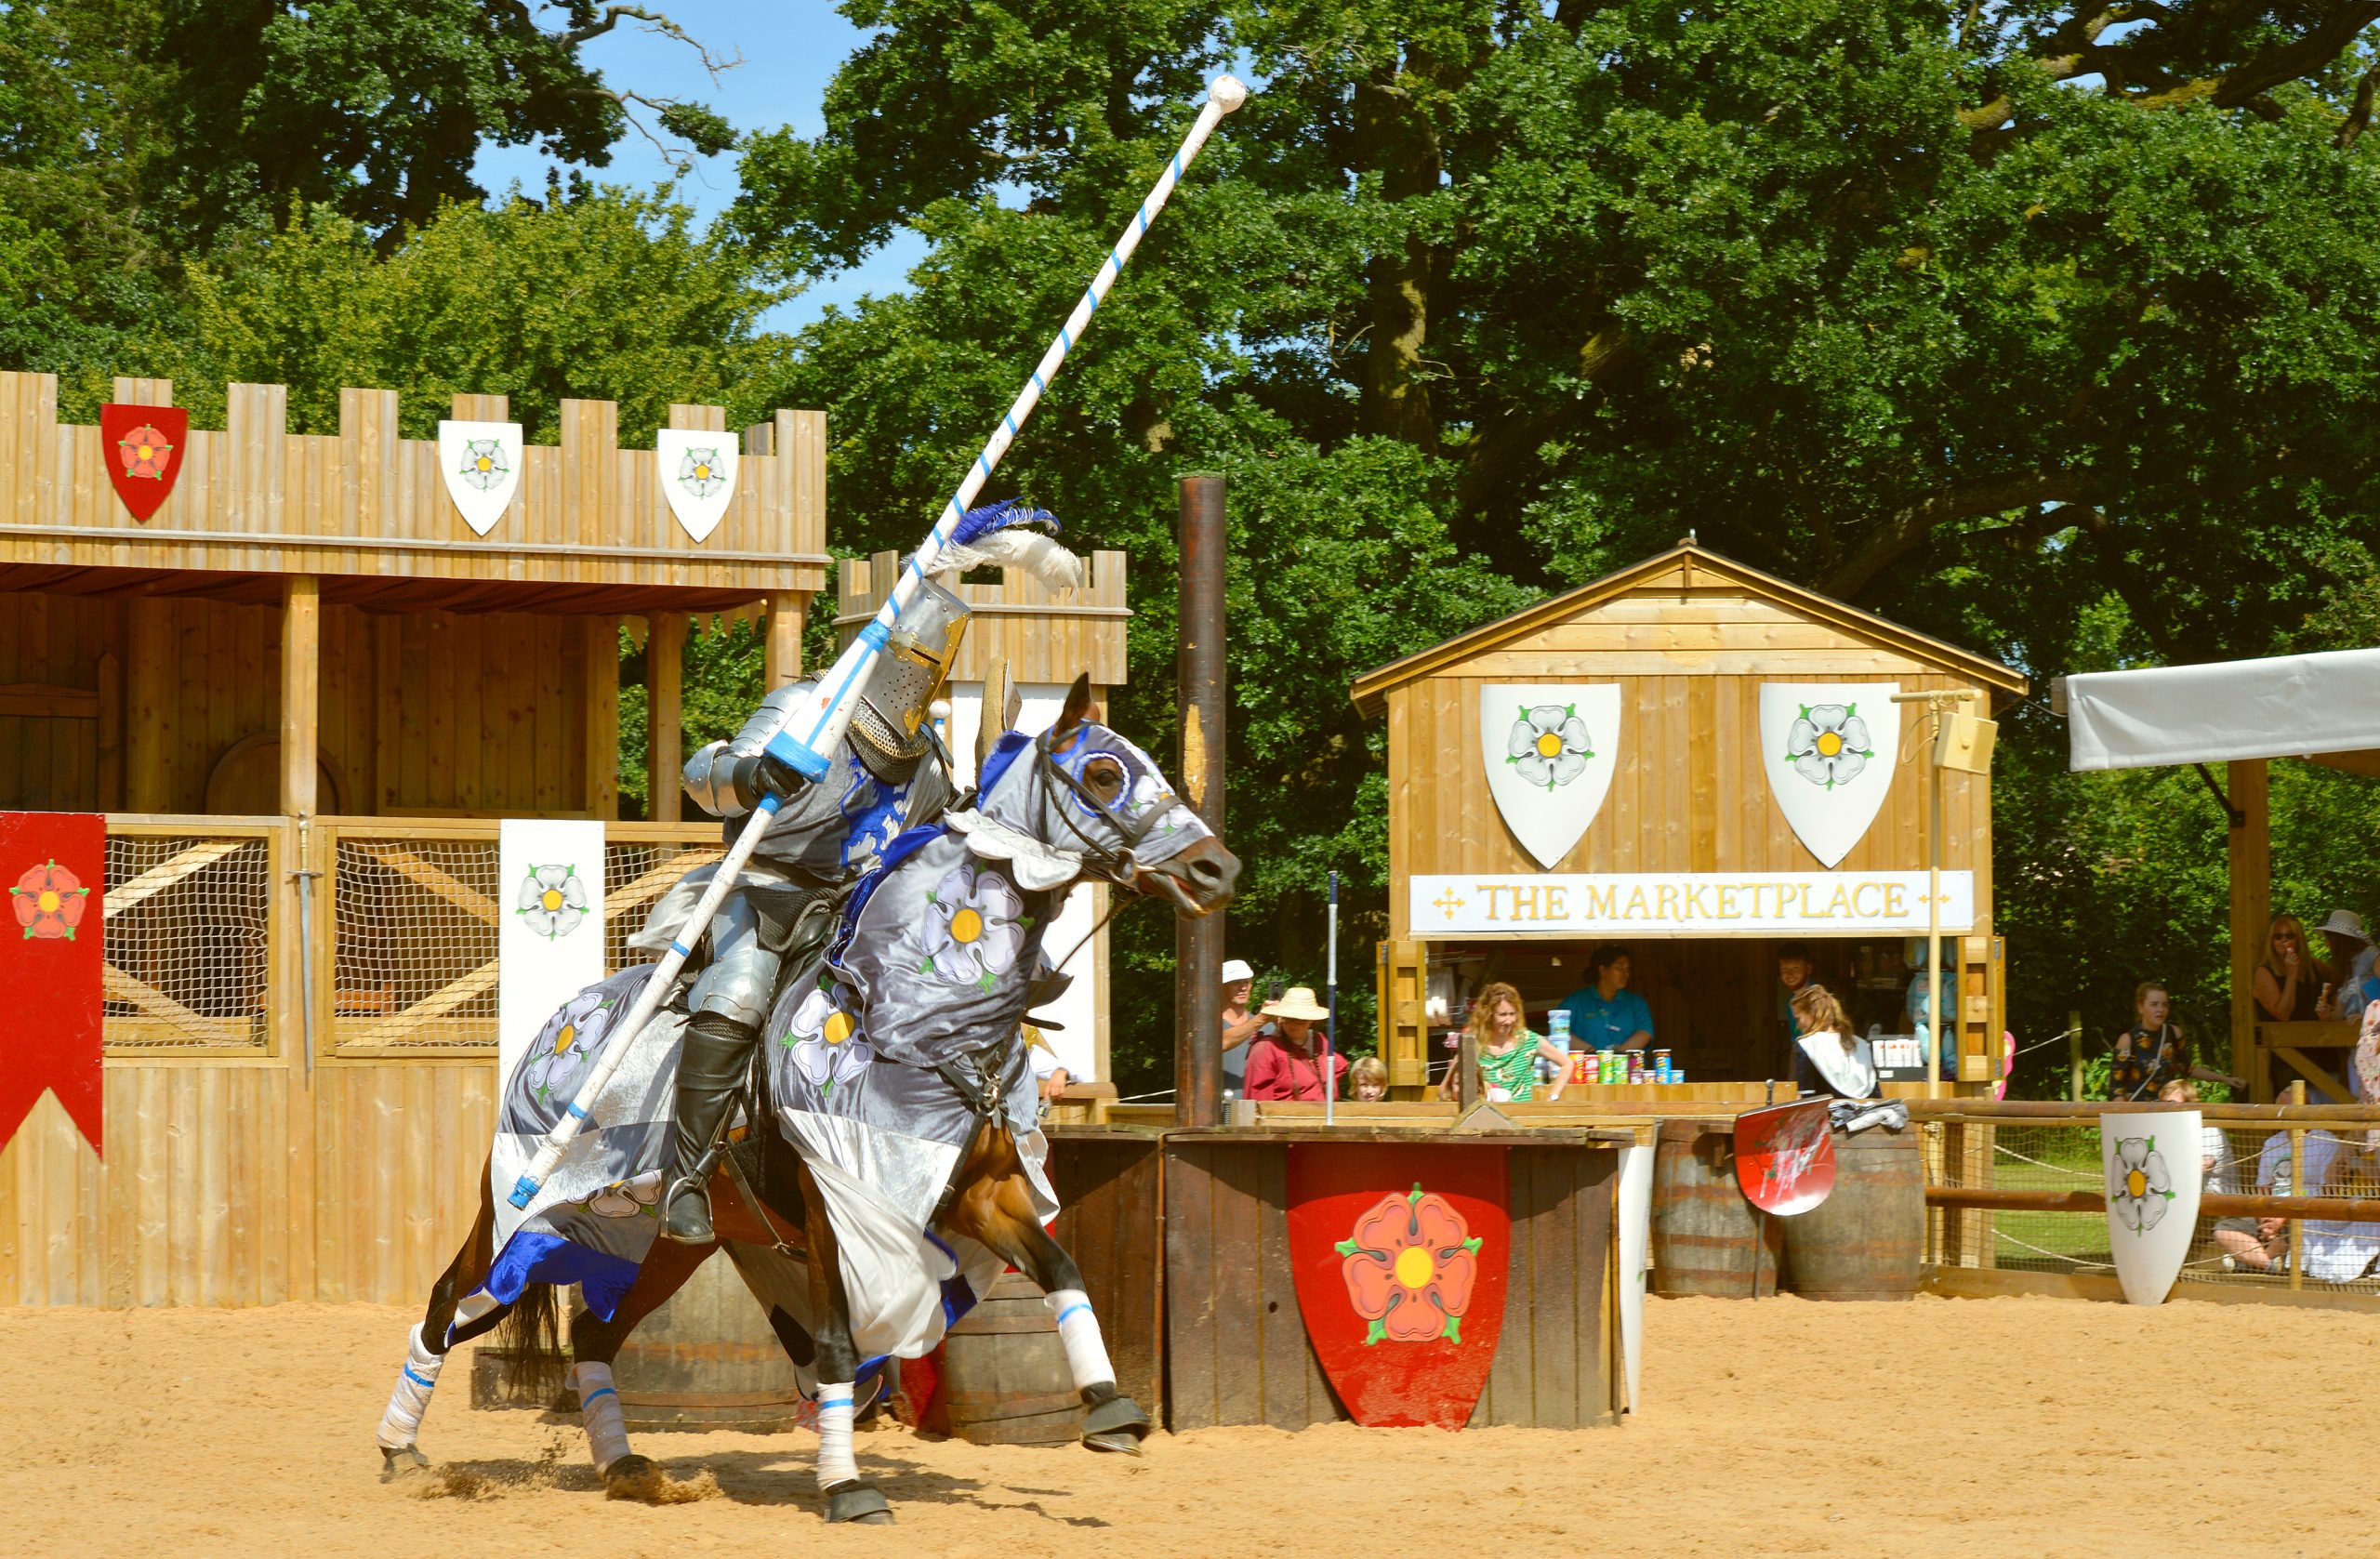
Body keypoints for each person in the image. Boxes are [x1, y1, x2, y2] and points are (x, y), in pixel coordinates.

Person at [651, 579, 969, 1242]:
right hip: (765, 890)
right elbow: (703, 772)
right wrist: (754, 776)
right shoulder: (807, 707)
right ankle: (686, 1176)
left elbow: (930, 858)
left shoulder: (927, 762)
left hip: (855, 915)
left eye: (931, 670)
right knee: (738, 992)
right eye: (911, 659)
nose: (916, 679)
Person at [1436, 980, 1571, 1103]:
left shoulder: (1528, 1040)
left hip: (1522, 1121)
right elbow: (1444, 1087)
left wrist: (1552, 1098)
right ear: (1488, 1015)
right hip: (1487, 1120)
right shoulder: (1475, 1043)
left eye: (1512, 1014)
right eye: (1502, 1015)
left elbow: (1567, 1064)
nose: (1509, 1021)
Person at [2109, 982, 2244, 1099]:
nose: (2160, 1010)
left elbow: (2187, 1068)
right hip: (2137, 1113)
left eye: (2165, 1005)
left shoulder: (2174, 1033)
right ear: (2141, 1007)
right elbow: (2116, 1090)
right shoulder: (2127, 1040)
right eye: (2154, 1004)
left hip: (2168, 1107)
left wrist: (2224, 1079)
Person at [1243, 985, 1349, 1102]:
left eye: (1302, 1019)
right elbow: (1257, 1103)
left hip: (1323, 1117)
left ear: (1311, 1020)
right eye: (1290, 1018)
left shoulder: (1319, 1041)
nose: (1295, 1024)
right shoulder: (1265, 1050)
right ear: (1281, 1018)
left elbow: (1340, 1067)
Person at [1554, 945, 1653, 1056]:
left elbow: (1645, 1032)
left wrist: (1619, 1055)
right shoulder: (1576, 1001)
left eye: (1628, 969)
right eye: (1619, 968)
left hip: (1624, 1069)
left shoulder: (1636, 1003)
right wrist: (1590, 1052)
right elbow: (1557, 1032)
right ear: (1603, 970)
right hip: (1585, 1068)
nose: (1626, 974)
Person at [1789, 984, 1875, 1100]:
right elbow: (1875, 1092)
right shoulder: (1862, 1045)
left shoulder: (1807, 1045)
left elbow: (1805, 1096)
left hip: (1827, 1115)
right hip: (1867, 1114)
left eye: (1798, 1019)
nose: (1798, 1026)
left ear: (1812, 1013)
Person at [2254, 914, 2322, 1024]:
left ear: (2299, 939)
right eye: (2278, 936)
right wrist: (2292, 975)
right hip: (2281, 1038)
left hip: (2318, 1037)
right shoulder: (2263, 972)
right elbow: (2283, 1015)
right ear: (2271, 941)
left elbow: (2340, 981)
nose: (2283, 940)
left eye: (2289, 936)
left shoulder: (2313, 965)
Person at [1218, 958, 1265, 1096]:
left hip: (1258, 1112)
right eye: (1235, 983)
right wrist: (1261, 1019)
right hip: (1220, 1113)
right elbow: (1220, 1042)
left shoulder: (1267, 1027)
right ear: (1222, 986)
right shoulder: (1210, 1026)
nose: (1243, 987)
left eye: (1246, 982)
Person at [1775, 941, 1813, 1071]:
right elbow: (1795, 1044)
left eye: (1795, 968)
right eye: (1785, 969)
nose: (1790, 974)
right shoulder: (1790, 1001)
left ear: (1808, 969)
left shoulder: (1819, 997)